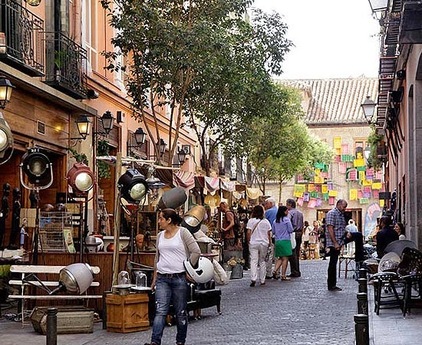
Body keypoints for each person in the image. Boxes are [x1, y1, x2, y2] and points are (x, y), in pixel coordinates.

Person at [145, 208, 201, 345]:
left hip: (179, 278)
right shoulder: (160, 236)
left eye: (161, 219)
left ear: (169, 220)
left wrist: (188, 269)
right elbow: (157, 258)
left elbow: (196, 251)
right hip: (162, 278)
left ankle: (180, 341)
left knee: (180, 311)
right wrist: (154, 278)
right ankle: (155, 342)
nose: (158, 222)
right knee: (160, 311)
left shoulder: (183, 233)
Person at [246, 205, 272, 287]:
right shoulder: (266, 222)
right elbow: (269, 234)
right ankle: (262, 280)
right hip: (264, 243)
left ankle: (253, 278)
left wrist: (248, 241)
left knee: (253, 260)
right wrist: (270, 243)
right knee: (262, 261)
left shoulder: (250, 221)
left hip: (253, 242)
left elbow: (248, 232)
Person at [325, 199, 348, 291]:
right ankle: (331, 285)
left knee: (334, 262)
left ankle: (332, 284)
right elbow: (330, 228)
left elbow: (341, 228)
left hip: (340, 240)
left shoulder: (341, 215)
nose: (344, 209)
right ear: (338, 205)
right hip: (335, 242)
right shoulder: (332, 213)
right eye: (344, 206)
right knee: (333, 263)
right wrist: (335, 243)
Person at [271, 206, 294, 281]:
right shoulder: (286, 220)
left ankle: (275, 270)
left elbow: (273, 231)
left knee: (280, 257)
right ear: (284, 212)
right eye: (287, 211)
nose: (288, 212)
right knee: (285, 258)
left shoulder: (275, 221)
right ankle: (283, 275)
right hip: (285, 241)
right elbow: (290, 230)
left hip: (277, 241)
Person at [286, 198, 304, 277]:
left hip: (293, 233)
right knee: (297, 252)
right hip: (299, 233)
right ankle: (297, 270)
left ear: (290, 205)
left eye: (287, 204)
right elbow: (302, 224)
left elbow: (288, 223)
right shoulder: (300, 213)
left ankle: (294, 271)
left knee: (292, 253)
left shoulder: (290, 213)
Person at [264, 197, 277, 278]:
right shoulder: (279, 211)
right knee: (277, 254)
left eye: (266, 203)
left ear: (271, 204)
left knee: (269, 253)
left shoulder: (268, 212)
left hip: (270, 233)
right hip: (279, 235)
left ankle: (268, 272)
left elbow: (264, 223)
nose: (265, 205)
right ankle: (277, 271)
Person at [0, 183, 10, 249]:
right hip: (2, 216)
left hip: (3, 215)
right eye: (7, 190)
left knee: (2, 231)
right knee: (1, 230)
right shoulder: (4, 198)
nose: (8, 191)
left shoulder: (5, 198)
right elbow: (4, 208)